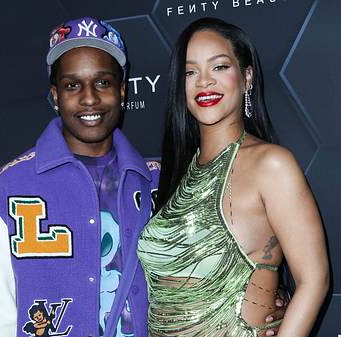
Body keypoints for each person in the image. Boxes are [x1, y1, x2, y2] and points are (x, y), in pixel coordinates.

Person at [0, 16, 286, 337]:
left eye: (103, 82)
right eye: (72, 85)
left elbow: (222, 258)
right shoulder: (7, 188)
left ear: (122, 90)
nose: (89, 98)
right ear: (54, 95)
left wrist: (268, 299)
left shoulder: (166, 181)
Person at [137, 17, 329, 337]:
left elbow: (314, 280)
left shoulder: (271, 165)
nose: (204, 82)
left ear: (247, 76)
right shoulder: (176, 174)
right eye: (190, 71)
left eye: (220, 67)